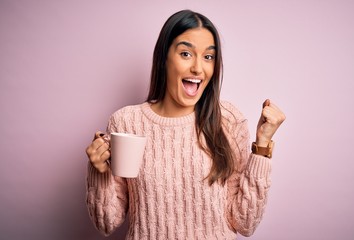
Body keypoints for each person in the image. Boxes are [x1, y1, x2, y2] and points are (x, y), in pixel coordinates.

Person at [85, 9, 285, 239]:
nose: (198, 68)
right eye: (186, 54)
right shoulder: (126, 122)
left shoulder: (228, 120)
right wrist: (98, 171)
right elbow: (106, 222)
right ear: (164, 58)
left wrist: (262, 146)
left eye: (208, 57)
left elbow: (245, 223)